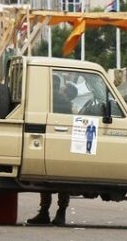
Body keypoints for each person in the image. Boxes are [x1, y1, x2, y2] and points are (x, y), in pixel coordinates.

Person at [27, 79, 78, 227]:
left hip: (52, 142)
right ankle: (60, 212)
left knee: (47, 179)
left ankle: (45, 211)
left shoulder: (51, 98)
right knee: (63, 180)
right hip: (62, 143)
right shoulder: (66, 103)